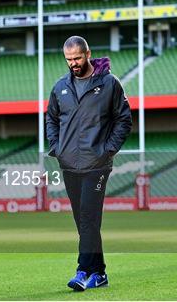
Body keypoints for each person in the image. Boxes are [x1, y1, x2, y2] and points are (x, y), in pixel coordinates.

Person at [46, 35, 132, 291]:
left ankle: (83, 270)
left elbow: (124, 120)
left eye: (77, 58)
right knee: (83, 221)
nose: (73, 63)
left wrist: (108, 150)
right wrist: (56, 147)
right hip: (69, 163)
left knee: (88, 217)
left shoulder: (109, 84)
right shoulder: (60, 86)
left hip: (97, 164)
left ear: (88, 54)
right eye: (68, 59)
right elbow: (51, 118)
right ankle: (100, 273)